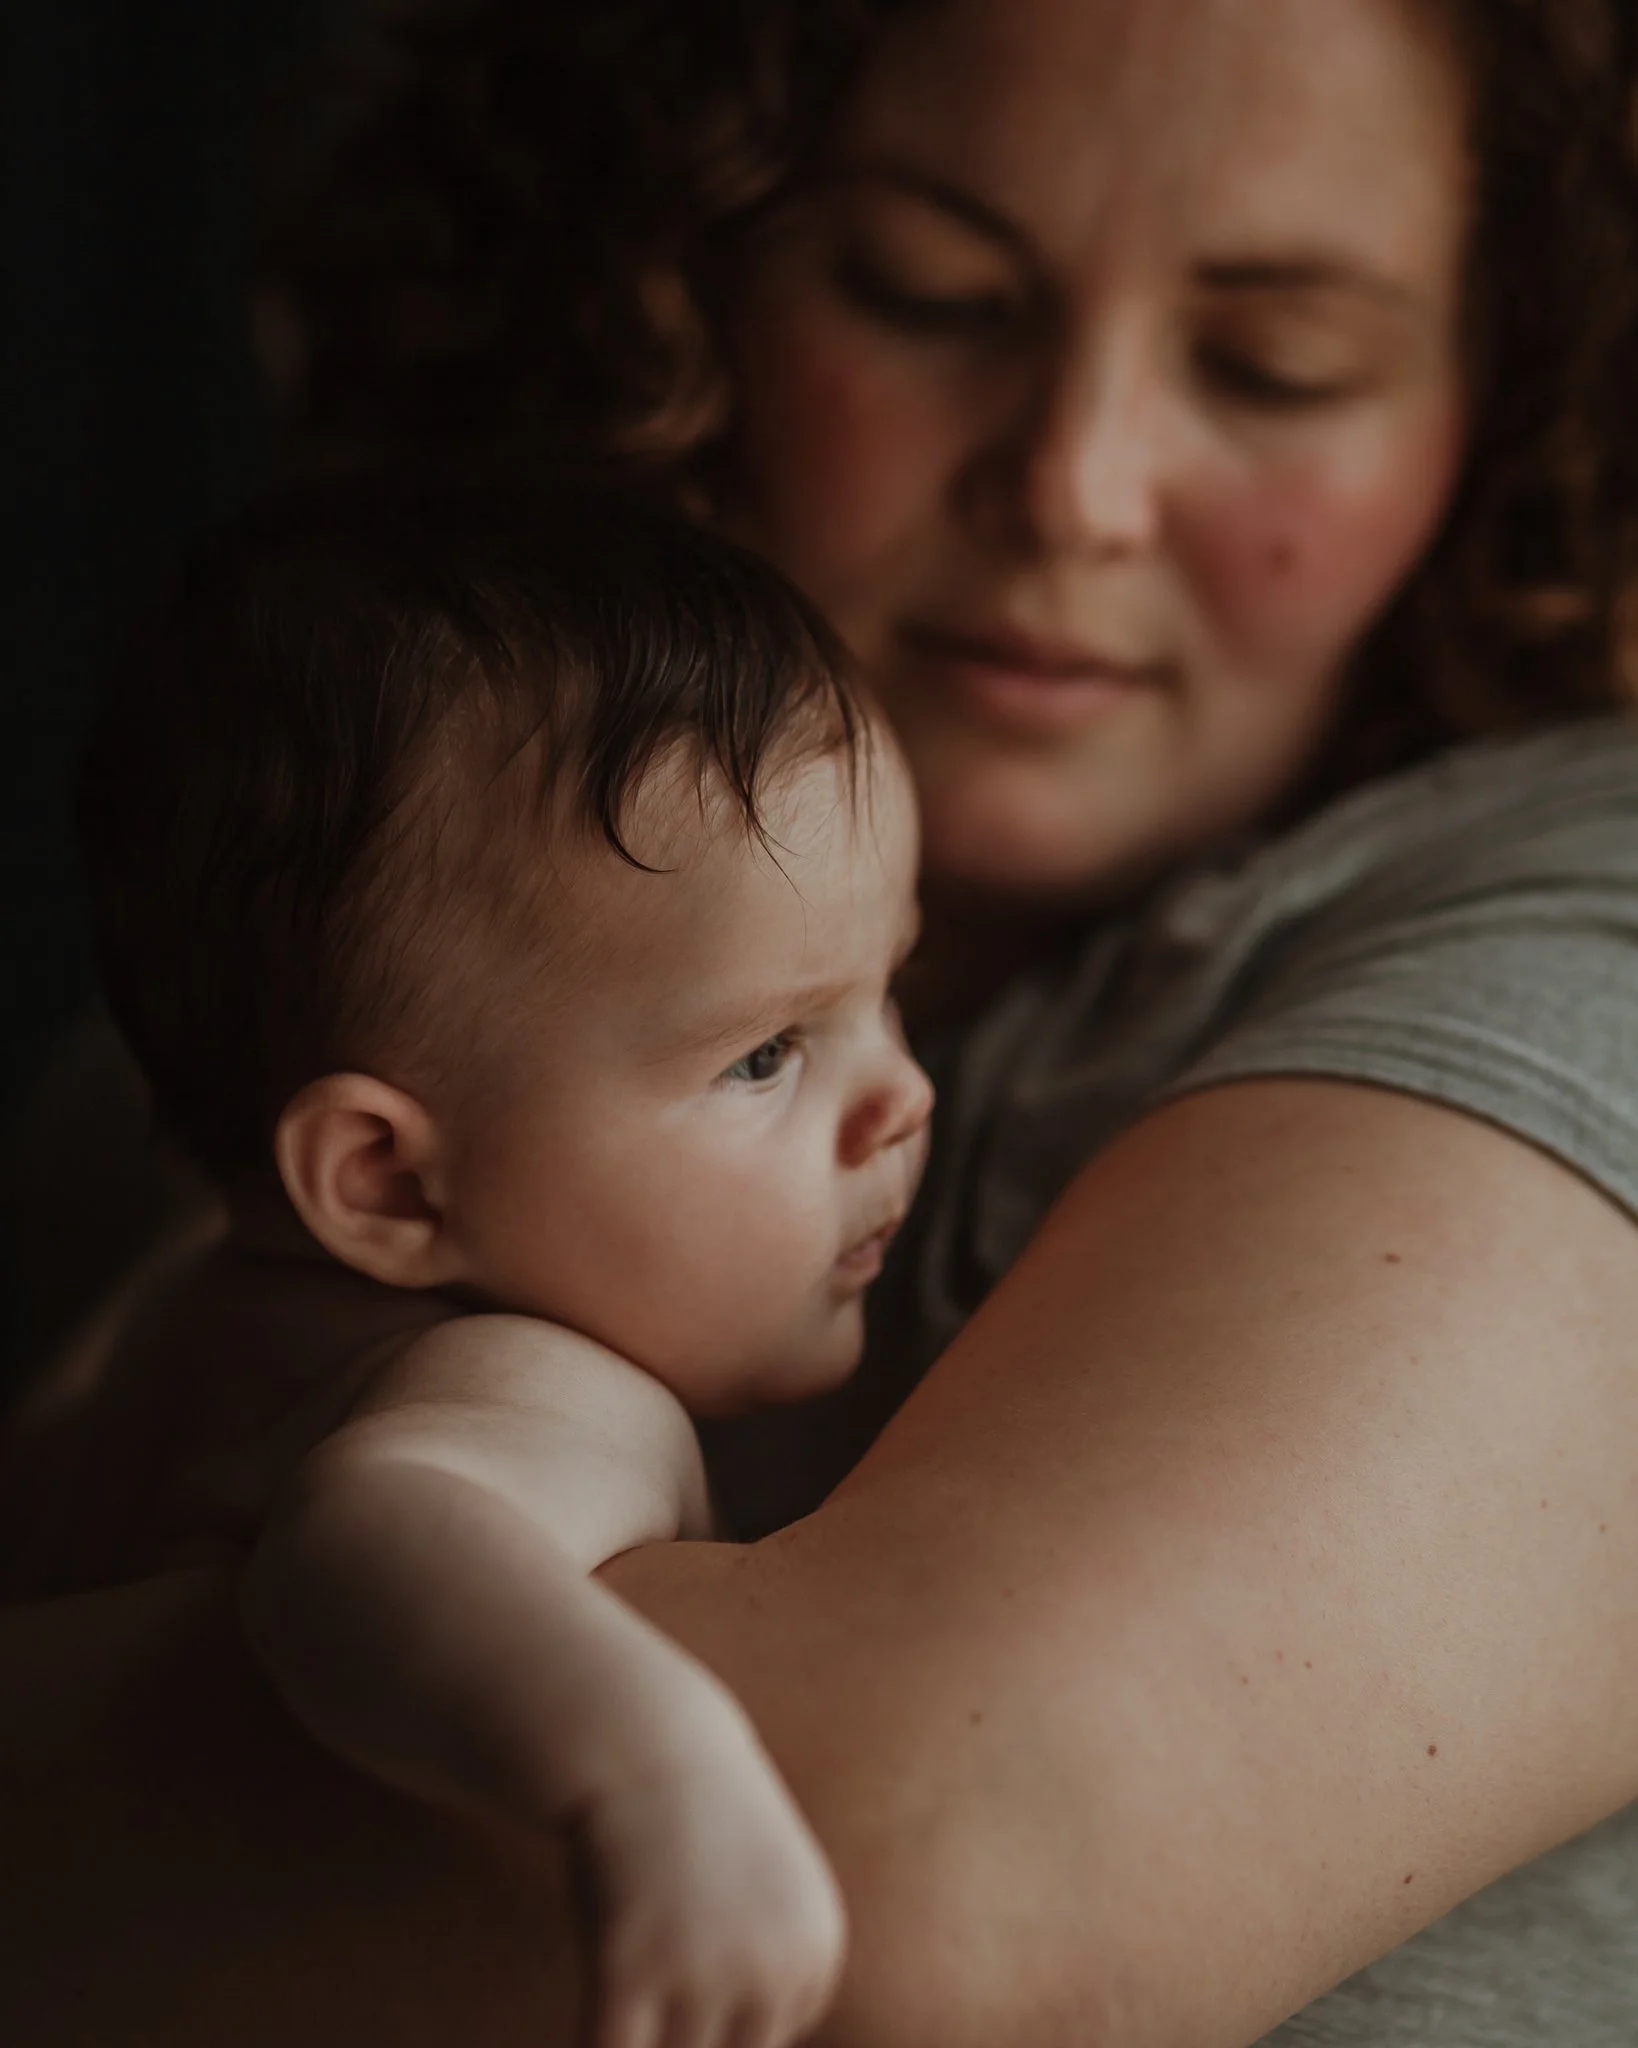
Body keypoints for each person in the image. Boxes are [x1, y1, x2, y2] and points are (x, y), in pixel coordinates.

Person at [5, 0, 1638, 2042]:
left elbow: (926, 1870)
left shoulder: (1594, 898)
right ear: (676, 278)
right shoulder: (171, 1117)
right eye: (931, 293)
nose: (1079, 485)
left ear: (1512, 402)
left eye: (1273, 361)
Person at [14, 487, 936, 2048]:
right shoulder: (531, 1378)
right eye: (768, 1051)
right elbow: (373, 1534)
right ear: (382, 1180)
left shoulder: (176, 1326)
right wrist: (650, 1774)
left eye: (891, 985)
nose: (902, 1095)